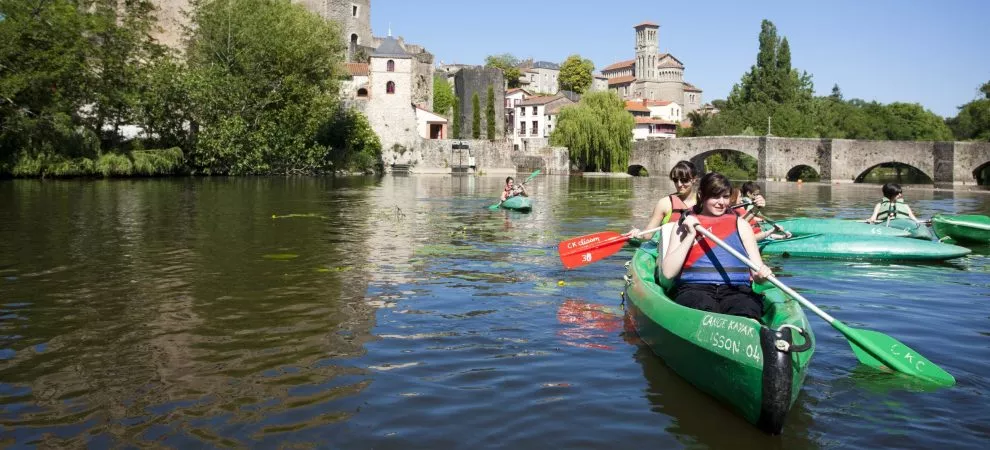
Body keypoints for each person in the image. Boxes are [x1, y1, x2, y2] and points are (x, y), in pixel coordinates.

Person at [659, 172, 773, 320]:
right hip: (695, 289)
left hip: (736, 290)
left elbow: (757, 275)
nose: (721, 202)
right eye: (715, 196)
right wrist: (690, 235)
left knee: (746, 309)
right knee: (700, 306)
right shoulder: (684, 225)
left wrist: (762, 275)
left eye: (725, 197)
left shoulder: (741, 225)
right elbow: (668, 273)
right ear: (701, 195)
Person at [631, 161, 700, 239]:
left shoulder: (704, 202)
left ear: (694, 179)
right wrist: (638, 234)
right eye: (675, 180)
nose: (679, 184)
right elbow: (648, 234)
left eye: (684, 180)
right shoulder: (664, 203)